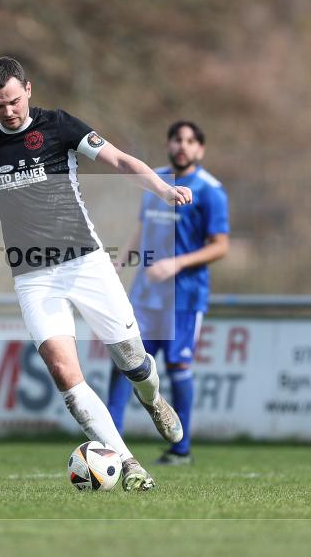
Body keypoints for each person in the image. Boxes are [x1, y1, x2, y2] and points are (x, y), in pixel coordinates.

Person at [0, 56, 192, 491]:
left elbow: (117, 161)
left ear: (29, 89)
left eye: (13, 101)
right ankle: (130, 464)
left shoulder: (59, 126)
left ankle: (152, 400)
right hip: (33, 276)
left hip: (85, 262)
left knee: (133, 361)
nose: (7, 112)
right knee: (63, 371)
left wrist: (163, 187)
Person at [107, 120, 229, 465]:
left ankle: (181, 449)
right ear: (168, 144)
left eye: (190, 141)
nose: (182, 146)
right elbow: (142, 227)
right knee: (125, 365)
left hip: (184, 299)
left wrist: (175, 264)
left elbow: (220, 246)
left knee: (178, 368)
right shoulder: (155, 180)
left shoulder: (210, 190)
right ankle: (110, 444)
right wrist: (119, 262)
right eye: (176, 139)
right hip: (144, 297)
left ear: (200, 149)